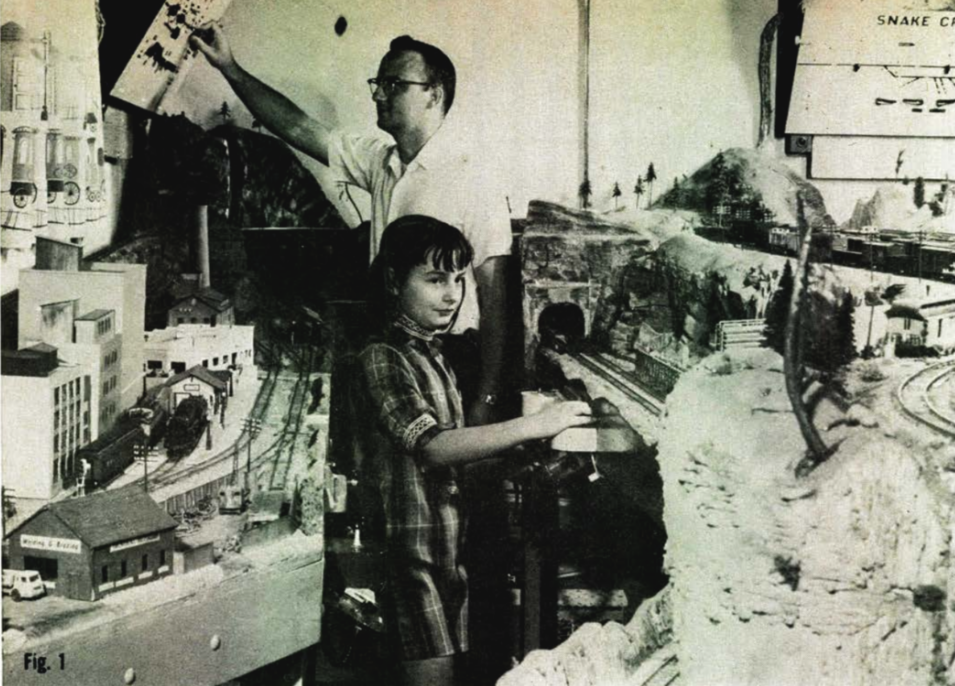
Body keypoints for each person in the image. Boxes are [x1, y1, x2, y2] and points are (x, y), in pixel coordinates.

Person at [191, 24, 511, 427]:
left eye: (394, 84)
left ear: (434, 94)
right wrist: (230, 68)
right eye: (378, 83)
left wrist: (488, 395)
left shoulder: (474, 180)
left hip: (449, 359)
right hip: (389, 352)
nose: (378, 94)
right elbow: (297, 128)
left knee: (438, 471)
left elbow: (497, 298)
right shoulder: (382, 161)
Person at [356, 215, 591, 686]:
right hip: (409, 559)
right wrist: (532, 425)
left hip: (446, 554)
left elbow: (456, 456)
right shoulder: (383, 357)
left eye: (459, 279)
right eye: (434, 279)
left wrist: (523, 456)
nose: (451, 295)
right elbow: (433, 449)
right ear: (393, 280)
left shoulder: (433, 353)